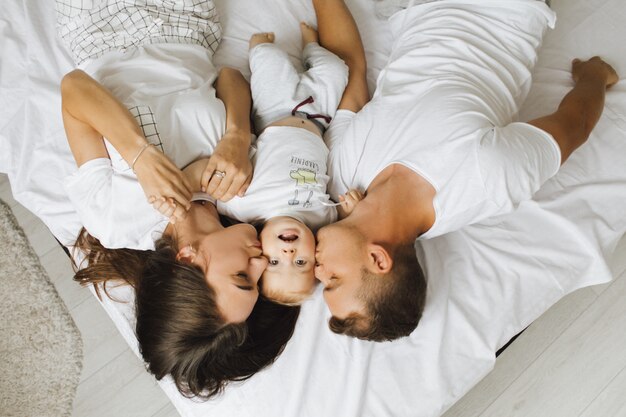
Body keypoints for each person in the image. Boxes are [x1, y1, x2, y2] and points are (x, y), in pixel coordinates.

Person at [313, 0, 619, 341]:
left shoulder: (340, 175)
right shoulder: (486, 178)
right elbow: (573, 126)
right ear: (378, 259)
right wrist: (594, 76)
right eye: (332, 279)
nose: (318, 270)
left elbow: (352, 71)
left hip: (413, 11)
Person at [56, 0, 299, 398]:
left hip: (98, 27)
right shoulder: (236, 186)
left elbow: (74, 88)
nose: (259, 262)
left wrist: (139, 155)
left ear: (187, 258)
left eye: (242, 277)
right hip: (190, 21)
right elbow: (228, 77)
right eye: (258, 279)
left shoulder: (114, 220)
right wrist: (237, 136)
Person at [215, 23, 361, 305]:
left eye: (274, 262)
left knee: (271, 64)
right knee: (336, 71)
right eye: (301, 263)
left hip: (274, 112)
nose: (289, 255)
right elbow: (345, 213)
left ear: (258, 250)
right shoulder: (323, 221)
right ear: (316, 252)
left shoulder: (245, 208)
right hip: (319, 118)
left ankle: (260, 45)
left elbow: (220, 187)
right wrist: (352, 208)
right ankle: (312, 47)